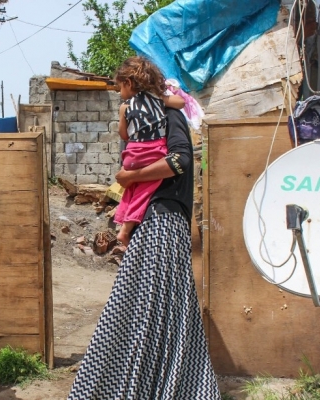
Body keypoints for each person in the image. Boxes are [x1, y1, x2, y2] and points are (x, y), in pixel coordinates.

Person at [67, 107, 221, 399]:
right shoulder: (146, 127)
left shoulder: (169, 116)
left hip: (163, 222)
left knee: (145, 305)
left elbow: (180, 161)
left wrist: (131, 176)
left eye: (124, 90)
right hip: (152, 221)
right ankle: (136, 386)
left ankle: (149, 387)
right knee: (144, 305)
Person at [112, 56, 185, 246]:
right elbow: (181, 103)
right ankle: (126, 230)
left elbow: (123, 134)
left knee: (132, 185)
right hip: (153, 152)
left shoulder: (125, 107)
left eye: (120, 87)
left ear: (128, 83)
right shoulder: (158, 100)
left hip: (131, 155)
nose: (120, 92)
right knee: (147, 186)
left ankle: (121, 220)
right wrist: (162, 97)